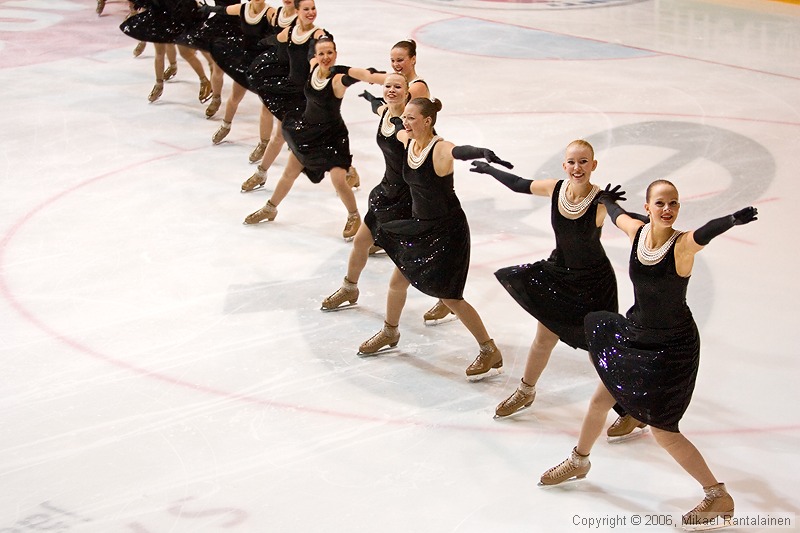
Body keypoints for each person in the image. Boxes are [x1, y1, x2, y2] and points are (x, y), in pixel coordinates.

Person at [539, 179, 757, 531]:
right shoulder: (638, 232)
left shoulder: (682, 246)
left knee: (663, 430)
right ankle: (579, 461)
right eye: (660, 203)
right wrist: (607, 201)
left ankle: (717, 495)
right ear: (649, 205)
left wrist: (731, 219)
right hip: (636, 333)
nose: (668, 209)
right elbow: (618, 215)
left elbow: (705, 233)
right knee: (599, 401)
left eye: (673, 203)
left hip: (672, 346)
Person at [358, 97, 511, 380]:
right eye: (406, 117)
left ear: (427, 121)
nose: (406, 122)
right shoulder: (408, 140)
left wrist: (482, 152)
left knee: (450, 297)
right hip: (421, 227)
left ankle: (489, 349)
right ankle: (390, 332)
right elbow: (390, 119)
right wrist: (374, 101)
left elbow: (459, 151)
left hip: (447, 231)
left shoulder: (439, 149)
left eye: (412, 118)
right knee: (396, 282)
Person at [469, 140, 622, 419]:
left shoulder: (600, 201)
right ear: (565, 165)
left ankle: (627, 407)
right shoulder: (555, 188)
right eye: (572, 162)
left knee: (597, 348)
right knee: (544, 337)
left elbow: (625, 220)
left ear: (594, 165)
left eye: (584, 162)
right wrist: (489, 170)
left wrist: (615, 207)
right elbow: (518, 183)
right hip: (560, 274)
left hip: (594, 283)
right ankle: (526, 391)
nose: (578, 168)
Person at [242, 35, 385, 240]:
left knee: (337, 179)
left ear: (335, 54)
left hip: (332, 137)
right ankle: (270, 208)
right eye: (321, 53)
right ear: (316, 56)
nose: (325, 57)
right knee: (289, 173)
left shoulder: (338, 79)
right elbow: (304, 48)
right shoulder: (313, 68)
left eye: (330, 52)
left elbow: (367, 75)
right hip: (307, 132)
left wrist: (392, 79)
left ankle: (354, 215)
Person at [320, 73, 412, 310]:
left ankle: (445, 299)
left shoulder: (410, 123)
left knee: (414, 257)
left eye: (398, 87)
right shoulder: (385, 113)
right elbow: (378, 108)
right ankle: (349, 288)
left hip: (409, 198)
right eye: (388, 86)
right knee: (361, 242)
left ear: (408, 91)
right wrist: (371, 97)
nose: (391, 90)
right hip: (386, 191)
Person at [239, 0, 327, 194]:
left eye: (313, 8)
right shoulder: (290, 32)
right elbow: (272, 41)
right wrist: (254, 46)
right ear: (297, 11)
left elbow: (316, 55)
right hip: (290, 92)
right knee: (280, 135)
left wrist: (315, 66)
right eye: (306, 9)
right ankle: (261, 173)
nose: (311, 12)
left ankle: (348, 172)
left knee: (319, 137)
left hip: (307, 95)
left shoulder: (319, 35)